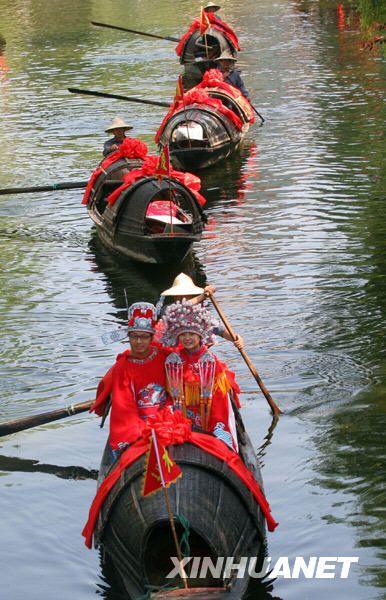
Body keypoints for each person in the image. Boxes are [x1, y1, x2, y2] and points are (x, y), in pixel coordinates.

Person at [90, 302, 171, 458]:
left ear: (151, 337)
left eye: (144, 337)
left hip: (165, 418)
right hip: (136, 422)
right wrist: (145, 429)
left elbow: (174, 394)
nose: (139, 342)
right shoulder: (122, 366)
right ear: (129, 337)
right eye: (134, 336)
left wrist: (166, 418)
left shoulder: (165, 357)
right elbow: (124, 407)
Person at [162, 300, 240, 451]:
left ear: (200, 335)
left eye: (191, 334)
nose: (187, 338)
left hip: (209, 419)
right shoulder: (173, 361)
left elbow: (219, 402)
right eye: (183, 334)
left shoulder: (211, 363)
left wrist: (216, 426)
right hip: (180, 419)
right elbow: (171, 397)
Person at [155, 273, 244, 349]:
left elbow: (220, 330)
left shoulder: (201, 313)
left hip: (197, 355)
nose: (182, 297)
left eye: (186, 294)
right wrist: (203, 296)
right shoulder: (169, 310)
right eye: (178, 295)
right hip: (175, 355)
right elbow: (180, 309)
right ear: (174, 296)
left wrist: (236, 339)